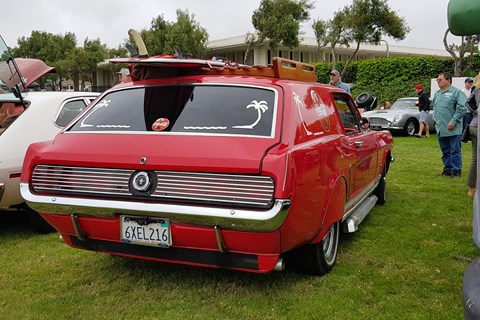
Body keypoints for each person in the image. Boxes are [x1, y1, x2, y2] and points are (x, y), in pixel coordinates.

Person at [433, 72, 468, 177]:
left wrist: (453, 121)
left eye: (440, 79)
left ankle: (456, 170)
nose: (438, 81)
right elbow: (435, 107)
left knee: (454, 150)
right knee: (445, 150)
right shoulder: (437, 93)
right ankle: (447, 169)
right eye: (437, 80)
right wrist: (435, 119)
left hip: (453, 127)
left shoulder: (456, 92)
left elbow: (462, 108)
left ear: (448, 80)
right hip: (440, 127)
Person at [467, 75, 480, 196]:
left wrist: (476, 112)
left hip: (474, 124)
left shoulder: (476, 87)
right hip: (477, 125)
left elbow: (468, 102)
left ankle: (471, 189)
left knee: (475, 158)